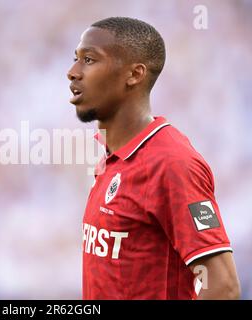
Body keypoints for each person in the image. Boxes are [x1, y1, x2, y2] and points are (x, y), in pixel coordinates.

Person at [67, 17, 240, 299]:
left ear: (134, 75)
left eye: (89, 60)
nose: (73, 72)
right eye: (75, 58)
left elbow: (222, 286)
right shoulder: (113, 157)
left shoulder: (171, 163)